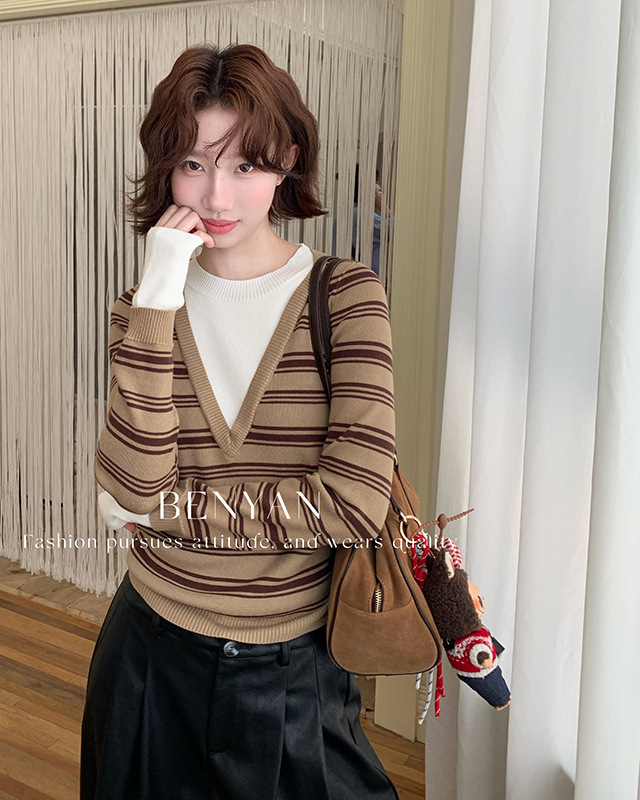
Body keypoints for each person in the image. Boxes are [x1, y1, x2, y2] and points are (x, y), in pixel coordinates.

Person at [81, 43, 399, 800]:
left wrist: (164, 513)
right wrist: (159, 290)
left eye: (245, 166)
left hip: (292, 667)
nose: (217, 196)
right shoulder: (142, 308)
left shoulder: (346, 297)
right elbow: (134, 482)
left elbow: (354, 505)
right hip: (150, 651)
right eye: (193, 164)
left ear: (287, 161)